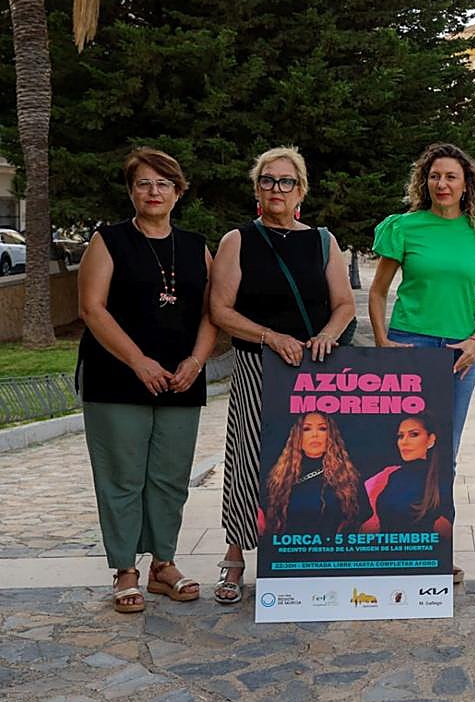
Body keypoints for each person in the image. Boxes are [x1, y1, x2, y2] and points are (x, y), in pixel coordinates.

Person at [209, 146, 357, 603]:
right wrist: (270, 336)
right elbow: (221, 311)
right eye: (268, 181)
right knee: (251, 457)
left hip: (315, 371)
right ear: (258, 189)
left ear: (301, 192)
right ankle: (235, 556)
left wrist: (329, 335)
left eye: (286, 181)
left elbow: (344, 304)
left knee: (321, 459)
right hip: (260, 366)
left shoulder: (323, 241)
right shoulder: (239, 240)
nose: (277, 189)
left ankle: (311, 551)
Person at [77, 148, 216, 612]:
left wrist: (197, 360)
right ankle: (125, 570)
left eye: (163, 184)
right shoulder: (109, 240)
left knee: (170, 478)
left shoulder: (197, 246)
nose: (153, 192)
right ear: (131, 191)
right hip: (116, 378)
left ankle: (163, 565)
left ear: (178, 192)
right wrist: (138, 361)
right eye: (143, 183)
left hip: (181, 379)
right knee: (122, 476)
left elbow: (212, 312)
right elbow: (92, 308)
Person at [369, 143, 475, 580]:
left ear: (467, 184)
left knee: (442, 453)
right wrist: (382, 342)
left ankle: (435, 550)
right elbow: (377, 292)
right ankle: (390, 542)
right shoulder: (404, 228)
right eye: (434, 177)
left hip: (457, 356)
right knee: (393, 447)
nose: (442, 184)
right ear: (423, 182)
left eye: (451, 177)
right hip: (409, 346)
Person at [261, 412, 369, 535]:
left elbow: (364, 516)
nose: (315, 435)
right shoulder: (278, 479)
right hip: (292, 550)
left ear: (331, 436)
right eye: (306, 429)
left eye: (322, 429)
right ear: (297, 436)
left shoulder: (349, 477)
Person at [362, 414, 453, 539]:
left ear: (431, 440)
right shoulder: (390, 475)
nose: (404, 442)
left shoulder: (441, 480)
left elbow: (445, 536)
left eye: (413, 434)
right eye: (400, 436)